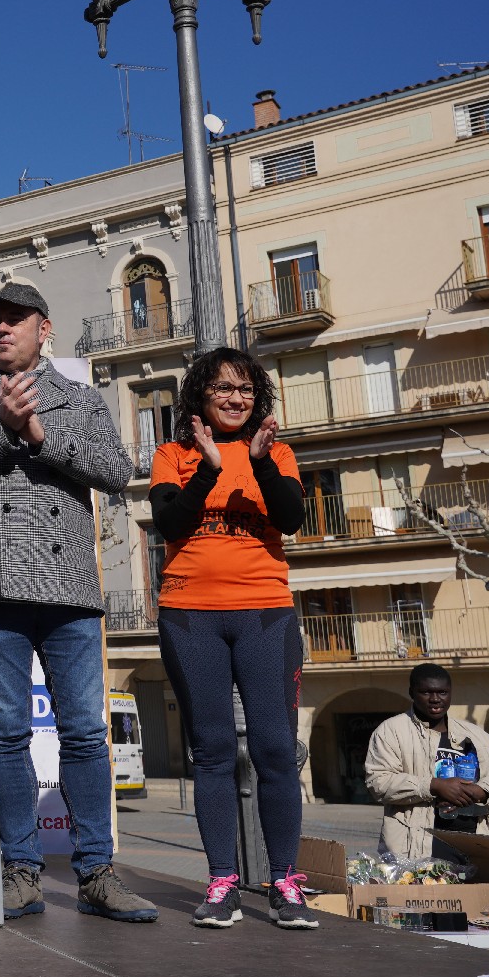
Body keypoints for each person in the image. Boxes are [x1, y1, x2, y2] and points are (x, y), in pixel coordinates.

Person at [0, 280, 155, 924]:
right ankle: (20, 871)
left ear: (43, 329)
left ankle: (97, 873)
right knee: (7, 734)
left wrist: (39, 434)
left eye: (15, 319)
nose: (1, 329)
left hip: (70, 591)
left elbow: (116, 472)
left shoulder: (79, 398)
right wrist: (2, 429)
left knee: (84, 733)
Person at [149, 347, 314, 929]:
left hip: (264, 613)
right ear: (201, 395)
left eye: (244, 388)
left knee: (276, 749)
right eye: (222, 387)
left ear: (257, 397)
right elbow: (170, 523)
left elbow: (291, 518)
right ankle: (223, 882)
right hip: (189, 614)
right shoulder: (173, 455)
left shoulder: (278, 453)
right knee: (213, 751)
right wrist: (211, 468)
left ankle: (284, 882)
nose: (235, 398)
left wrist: (260, 464)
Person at [364, 663, 489, 863]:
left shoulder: (475, 734)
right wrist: (434, 786)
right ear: (411, 693)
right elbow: (378, 782)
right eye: (426, 692)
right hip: (417, 848)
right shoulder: (391, 731)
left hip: (477, 845)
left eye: (442, 692)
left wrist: (480, 791)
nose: (435, 699)